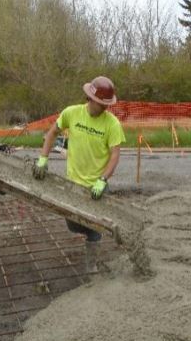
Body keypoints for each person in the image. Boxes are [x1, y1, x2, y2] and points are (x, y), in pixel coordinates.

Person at [32, 76, 125, 272]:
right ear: (90, 98)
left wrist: (103, 180)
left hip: (96, 186)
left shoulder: (112, 124)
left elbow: (115, 155)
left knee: (93, 227)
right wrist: (43, 159)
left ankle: (91, 265)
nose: (105, 108)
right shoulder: (71, 113)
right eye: (101, 104)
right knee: (73, 224)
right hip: (73, 182)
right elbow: (51, 133)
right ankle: (93, 231)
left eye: (107, 104)